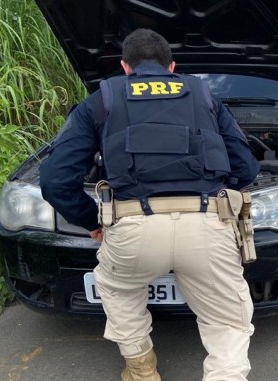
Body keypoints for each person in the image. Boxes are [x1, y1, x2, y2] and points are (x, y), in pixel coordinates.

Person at [39, 28, 260, 381]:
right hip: (207, 224)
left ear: (125, 67)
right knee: (227, 321)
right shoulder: (204, 95)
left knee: (116, 288)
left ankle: (142, 369)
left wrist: (92, 221)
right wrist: (215, 198)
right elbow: (246, 168)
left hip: (132, 227)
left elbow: (54, 180)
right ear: (172, 67)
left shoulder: (103, 98)